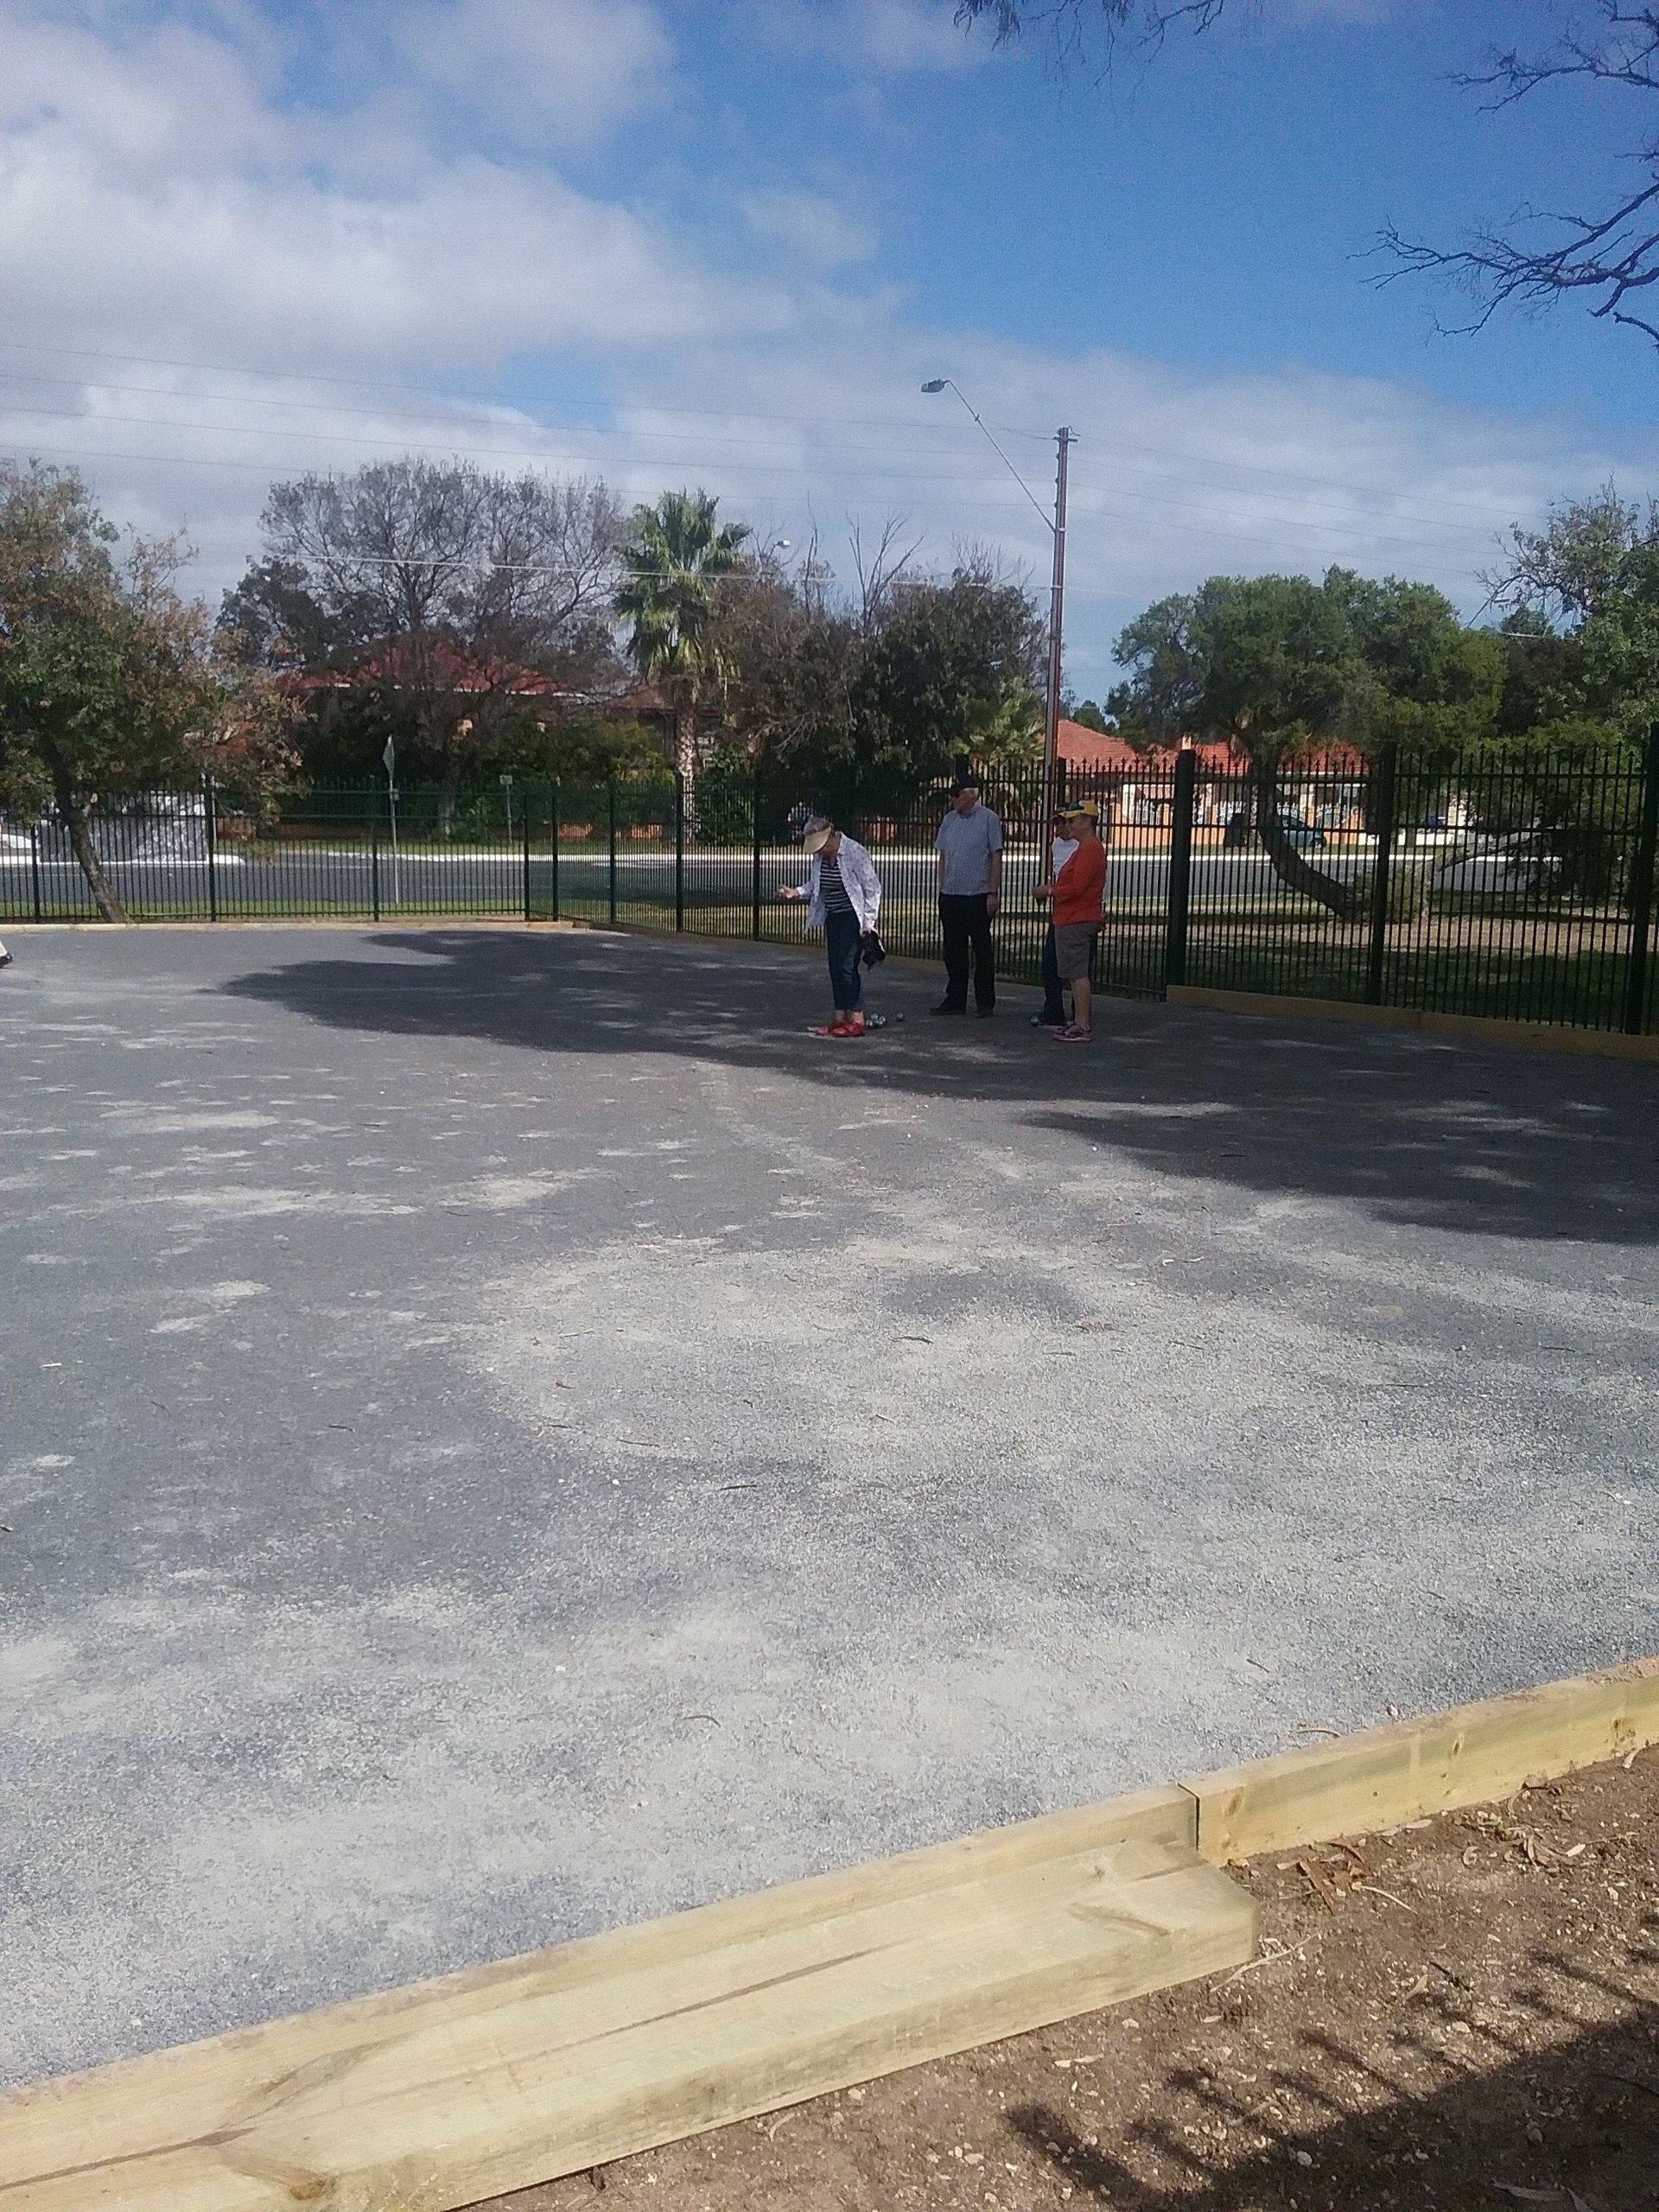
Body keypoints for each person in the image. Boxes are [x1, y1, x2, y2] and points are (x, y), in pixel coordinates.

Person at [778, 812, 884, 1039]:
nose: (816, 852)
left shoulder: (854, 852)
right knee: (835, 966)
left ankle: (857, 1018)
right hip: (833, 915)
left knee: (847, 966)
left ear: (829, 838)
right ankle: (840, 1018)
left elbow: (872, 889)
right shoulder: (820, 857)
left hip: (852, 916)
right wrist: (796, 892)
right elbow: (816, 883)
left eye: (819, 846)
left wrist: (868, 923)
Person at [931, 776, 1003, 1017]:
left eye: (957, 795)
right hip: (951, 894)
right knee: (953, 950)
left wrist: (993, 892)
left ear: (971, 795)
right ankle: (955, 999)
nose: (953, 800)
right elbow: (942, 855)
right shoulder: (949, 820)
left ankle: (985, 1002)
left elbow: (995, 856)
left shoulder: (988, 820)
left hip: (977, 894)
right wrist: (943, 886)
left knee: (981, 949)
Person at [1037, 798, 1106, 1042]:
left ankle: (1082, 1024)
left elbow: (1077, 888)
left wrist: (1050, 891)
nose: (1070, 825)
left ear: (1087, 821)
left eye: (1074, 820)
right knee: (1074, 973)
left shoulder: (1090, 849)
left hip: (1077, 918)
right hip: (1070, 917)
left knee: (1078, 974)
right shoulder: (1083, 848)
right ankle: (1078, 1022)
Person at [1032, 804, 1079, 1027]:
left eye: (1065, 821)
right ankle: (1054, 1009)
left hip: (1079, 912)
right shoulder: (1056, 846)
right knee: (1051, 962)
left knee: (1078, 967)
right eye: (1057, 822)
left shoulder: (1084, 847)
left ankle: (1079, 1013)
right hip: (1061, 909)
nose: (1061, 826)